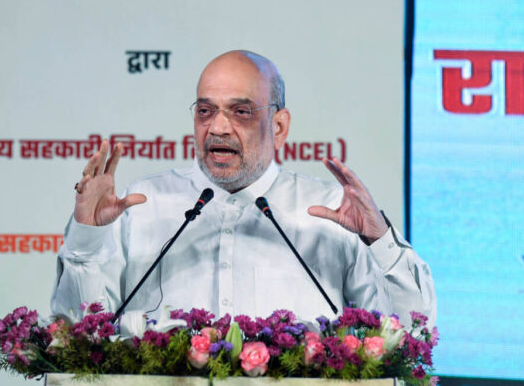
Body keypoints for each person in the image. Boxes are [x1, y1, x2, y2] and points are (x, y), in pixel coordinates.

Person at [51, 50, 435, 326]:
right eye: (205, 111)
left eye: (240, 111)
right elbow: (75, 334)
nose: (217, 128)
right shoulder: (143, 204)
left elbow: (414, 329)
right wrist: (86, 237)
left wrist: (379, 240)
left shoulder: (330, 211)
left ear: (280, 127)